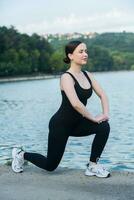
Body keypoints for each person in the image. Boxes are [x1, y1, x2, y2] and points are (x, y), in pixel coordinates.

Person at [12, 40, 110, 178]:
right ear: (70, 56)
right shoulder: (66, 77)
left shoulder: (87, 75)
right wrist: (94, 118)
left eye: (86, 51)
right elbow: (76, 103)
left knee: (104, 127)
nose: (85, 54)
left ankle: (93, 166)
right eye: (81, 52)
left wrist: (105, 114)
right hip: (60, 125)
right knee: (50, 166)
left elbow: (103, 95)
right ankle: (20, 154)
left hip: (77, 124)